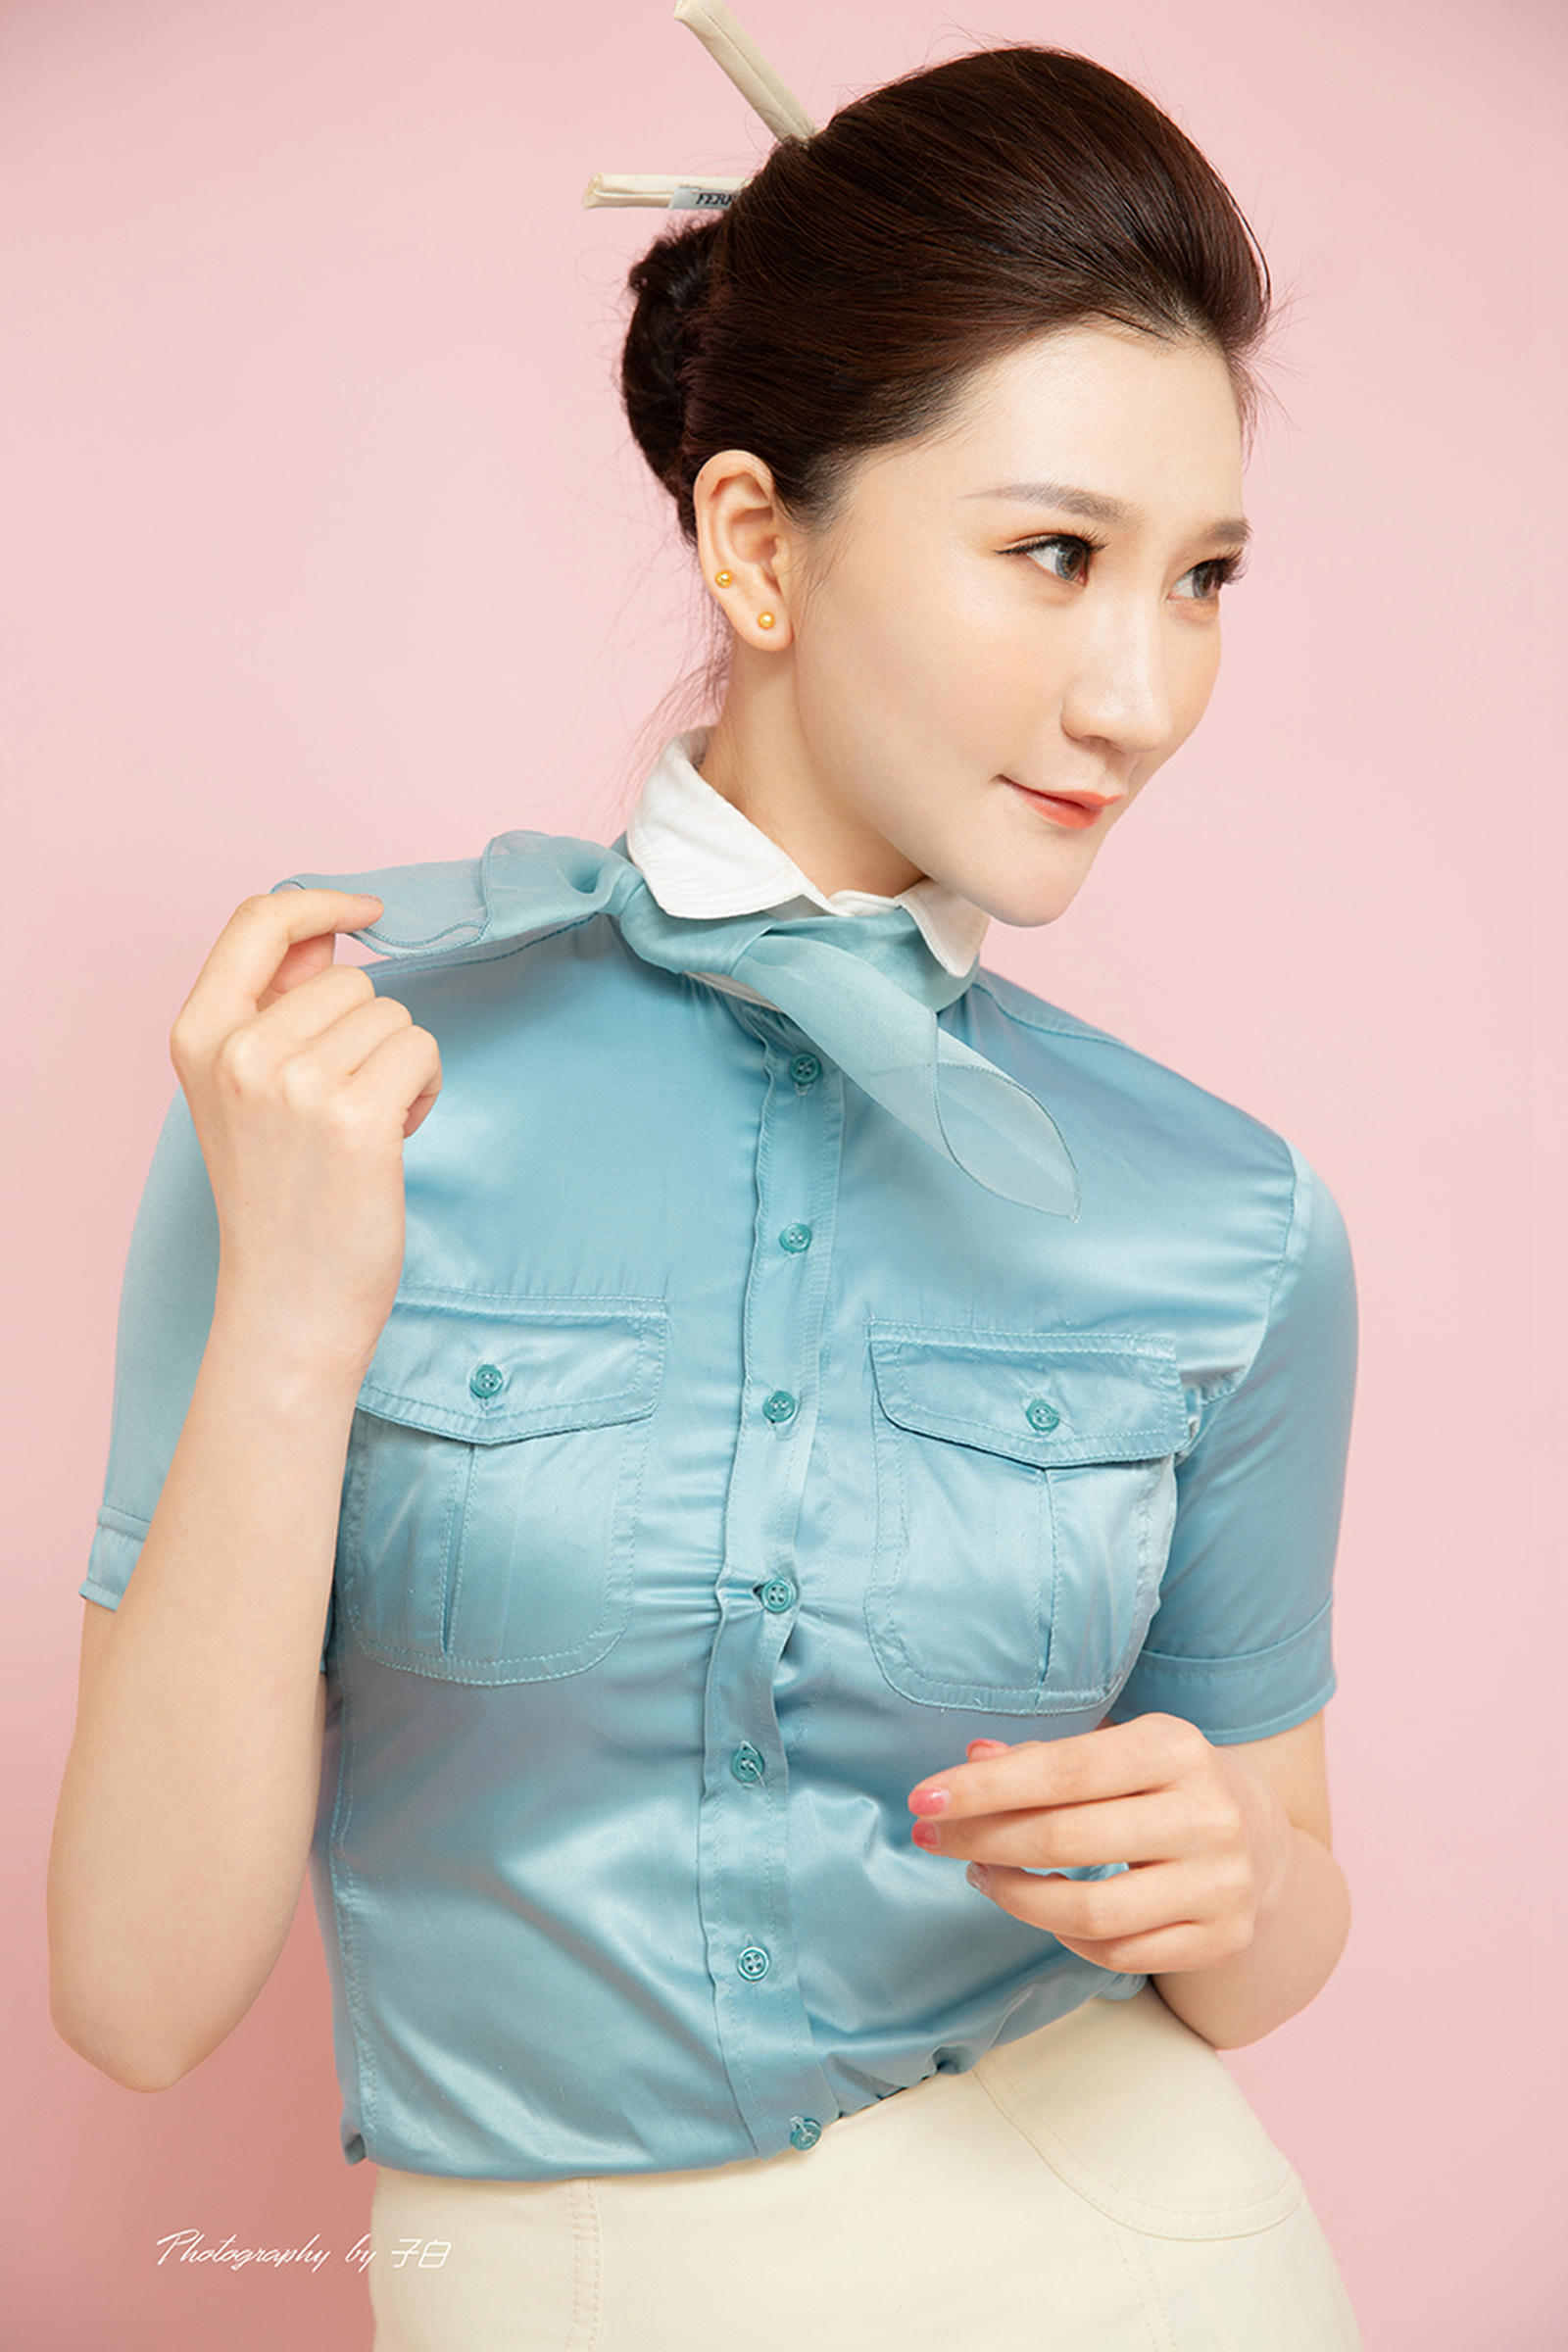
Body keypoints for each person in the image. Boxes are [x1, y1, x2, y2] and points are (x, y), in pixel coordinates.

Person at [48, 25, 1366, 2351]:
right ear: (757, 540)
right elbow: (138, 1995)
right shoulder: (331, 1075)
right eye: (1054, 555)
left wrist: (1241, 1874)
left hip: (1148, 2259)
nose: (1140, 694)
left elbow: (1271, 1936)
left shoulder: (1229, 1218)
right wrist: (297, 1316)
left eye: (1200, 578)